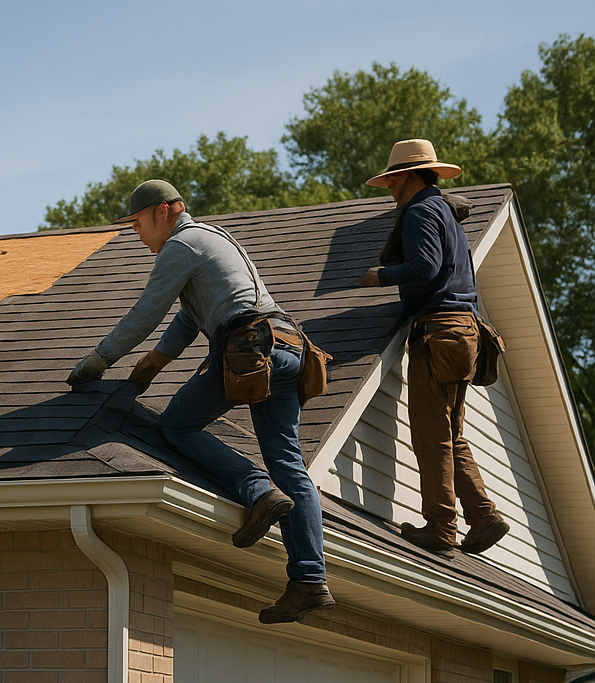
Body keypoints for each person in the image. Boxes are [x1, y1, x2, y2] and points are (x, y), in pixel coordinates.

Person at [67, 180, 334, 624]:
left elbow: (146, 312)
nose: (136, 234)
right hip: (289, 347)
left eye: (136, 223)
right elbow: (187, 318)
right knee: (289, 465)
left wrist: (99, 360)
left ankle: (257, 492)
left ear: (164, 211)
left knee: (178, 426)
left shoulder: (182, 245)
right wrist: (151, 366)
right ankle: (309, 579)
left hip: (251, 347)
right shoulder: (211, 240)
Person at [360, 138, 507, 556]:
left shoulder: (421, 211)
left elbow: (424, 267)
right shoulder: (441, 209)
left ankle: (441, 527)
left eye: (391, 181)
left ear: (406, 175)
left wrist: (380, 276)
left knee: (431, 436)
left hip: (438, 332)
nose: (389, 189)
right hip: (464, 333)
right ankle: (482, 516)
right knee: (450, 434)